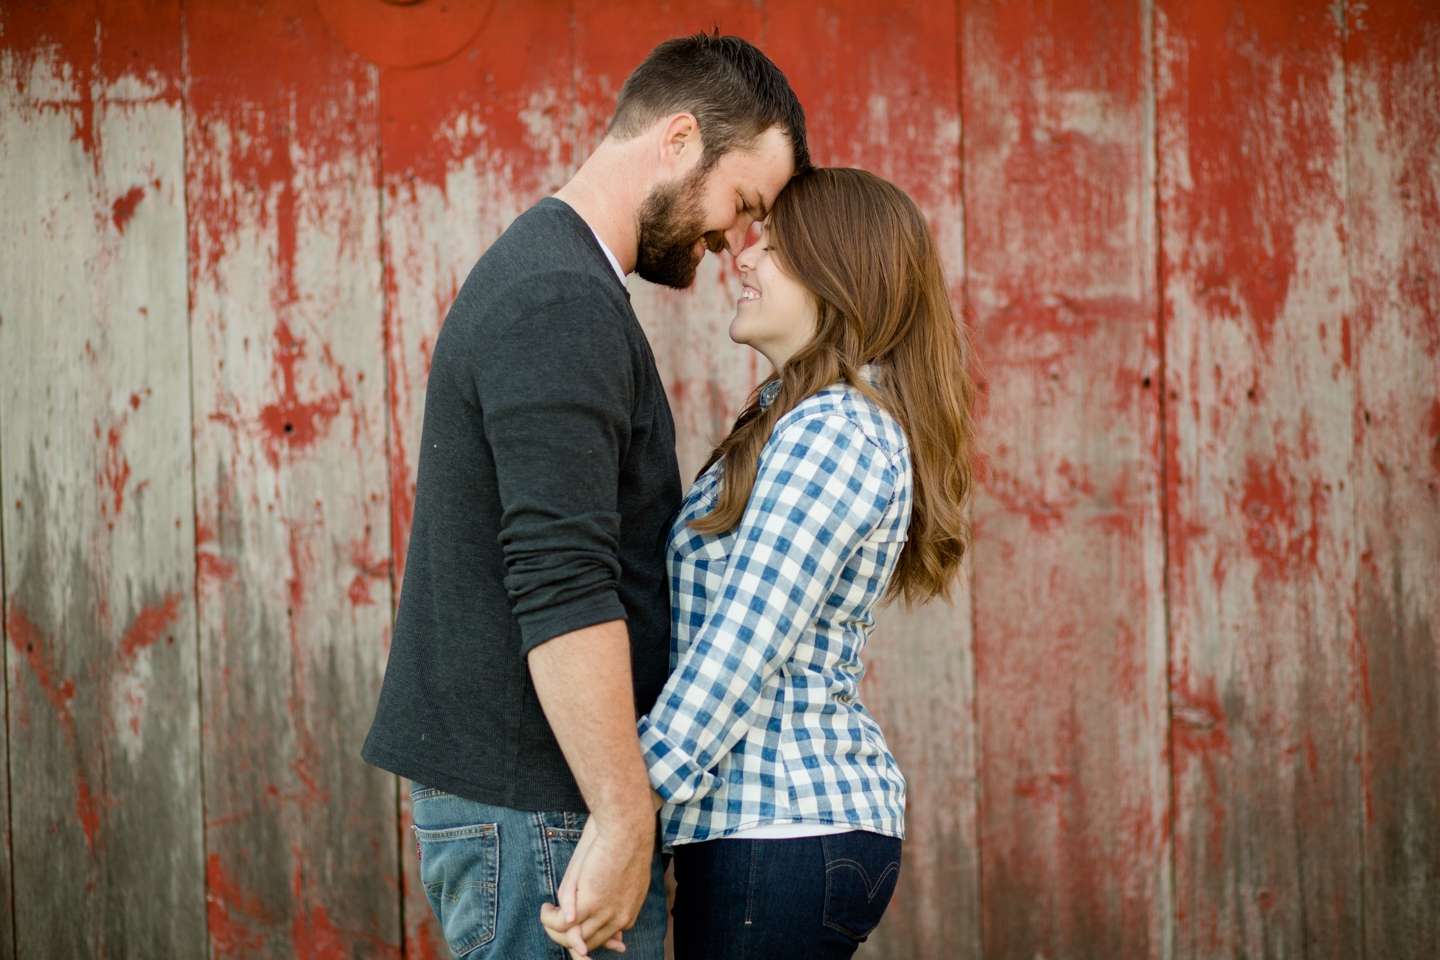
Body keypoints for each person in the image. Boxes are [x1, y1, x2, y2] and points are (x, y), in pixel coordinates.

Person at [361, 32, 809, 960]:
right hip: (545, 812)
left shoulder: (560, 280)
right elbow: (562, 579)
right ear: (680, 138)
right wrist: (620, 817)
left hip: (543, 804)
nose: (734, 240)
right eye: (744, 203)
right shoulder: (558, 299)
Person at [545, 167, 978, 959]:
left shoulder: (835, 430)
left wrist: (624, 816)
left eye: (773, 247)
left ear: (842, 278)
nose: (740, 258)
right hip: (767, 831)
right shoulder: (796, 417)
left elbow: (740, 651)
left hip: (780, 827)